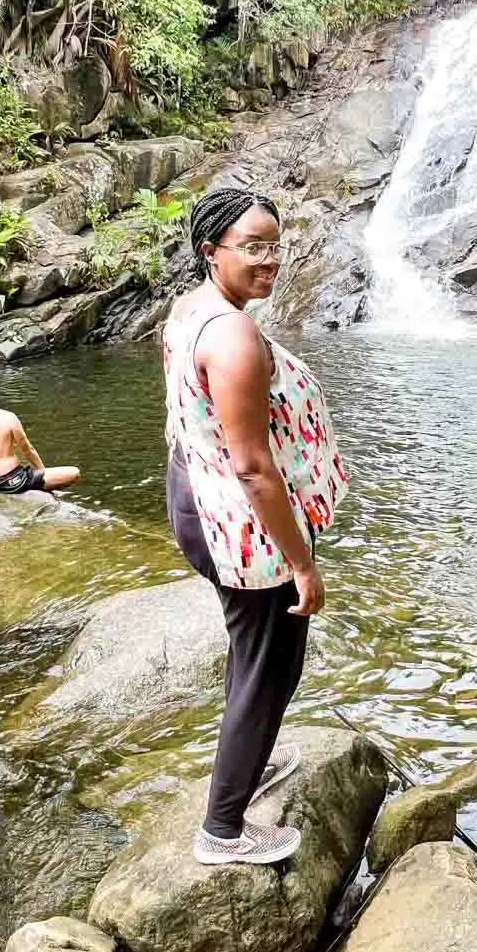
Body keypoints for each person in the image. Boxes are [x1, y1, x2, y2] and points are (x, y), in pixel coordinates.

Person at [164, 187, 348, 866]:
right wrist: (302, 562)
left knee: (255, 653)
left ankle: (249, 765)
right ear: (212, 250)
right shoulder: (234, 334)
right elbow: (253, 467)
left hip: (197, 498)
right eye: (252, 246)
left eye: (274, 244)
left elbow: (190, 418)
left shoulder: (192, 308)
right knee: (269, 668)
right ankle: (223, 828)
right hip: (240, 523)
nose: (269, 259)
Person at [0, 371, 80, 495]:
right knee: (74, 472)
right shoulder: (8, 417)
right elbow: (29, 451)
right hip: (16, 481)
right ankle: (47, 489)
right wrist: (42, 474)